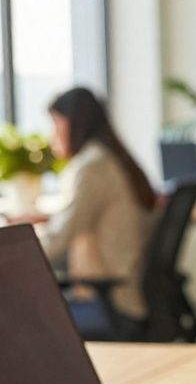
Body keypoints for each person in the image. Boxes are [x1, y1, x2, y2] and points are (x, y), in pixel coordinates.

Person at [37, 87, 157, 334]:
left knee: (20, 321)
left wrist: (5, 256)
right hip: (128, 296)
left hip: (111, 304)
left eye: (56, 124)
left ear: (74, 124)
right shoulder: (111, 158)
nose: (52, 136)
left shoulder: (92, 166)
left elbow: (58, 240)